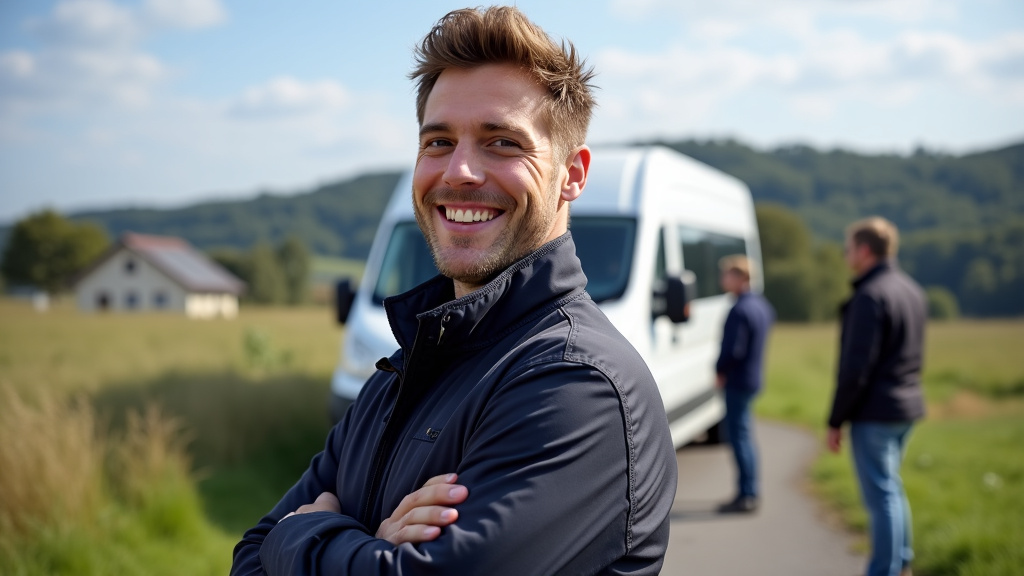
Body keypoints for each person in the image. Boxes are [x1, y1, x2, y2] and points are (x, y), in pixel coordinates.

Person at [230, 6, 677, 575]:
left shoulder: (576, 383)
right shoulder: (401, 373)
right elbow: (247, 559)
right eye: (438, 141)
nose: (460, 171)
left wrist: (304, 534)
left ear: (573, 174)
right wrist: (372, 548)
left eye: (503, 142)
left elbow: (277, 543)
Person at [827, 216, 926, 576]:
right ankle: (902, 563)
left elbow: (856, 369)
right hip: (906, 407)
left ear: (865, 250)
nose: (845, 255)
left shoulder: (869, 296)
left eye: (848, 248)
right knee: (891, 490)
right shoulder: (912, 289)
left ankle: (884, 570)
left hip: (876, 412)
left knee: (881, 496)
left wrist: (836, 419)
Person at [713, 255, 775, 514]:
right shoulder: (762, 305)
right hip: (752, 378)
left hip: (737, 380)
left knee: (739, 437)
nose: (723, 279)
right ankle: (749, 490)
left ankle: (747, 495)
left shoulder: (739, 309)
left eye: (727, 274)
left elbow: (733, 350)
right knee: (745, 435)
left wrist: (719, 370)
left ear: (741, 277)